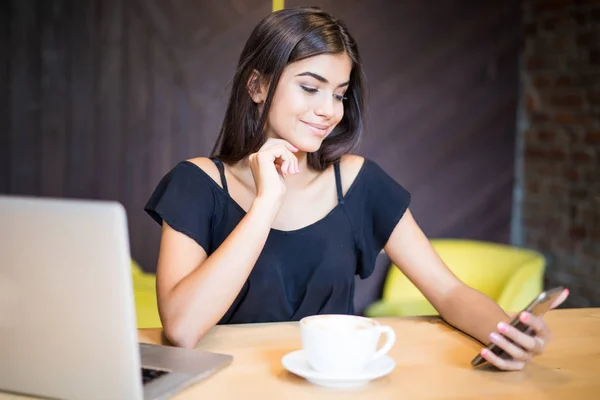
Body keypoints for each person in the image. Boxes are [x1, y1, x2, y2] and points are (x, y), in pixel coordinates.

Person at [144, 6, 568, 370]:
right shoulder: (197, 183)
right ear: (257, 86)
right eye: (310, 88)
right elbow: (181, 329)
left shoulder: (359, 182)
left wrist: (505, 333)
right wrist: (266, 202)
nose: (328, 111)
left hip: (338, 388)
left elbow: (449, 290)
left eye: (340, 94)